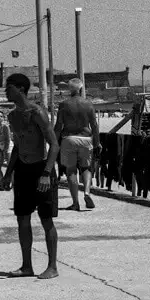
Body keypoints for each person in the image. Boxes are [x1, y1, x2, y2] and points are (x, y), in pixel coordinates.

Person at [0, 73, 60, 280]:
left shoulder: (37, 113)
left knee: (46, 219)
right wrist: (8, 174)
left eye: (9, 88)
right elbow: (17, 146)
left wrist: (46, 173)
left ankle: (52, 266)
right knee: (22, 219)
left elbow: (54, 145)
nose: (5, 91)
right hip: (23, 171)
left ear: (21, 89)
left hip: (41, 169)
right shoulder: (13, 116)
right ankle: (27, 266)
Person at [53, 78, 101, 211]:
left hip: (69, 139)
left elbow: (58, 126)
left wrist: (54, 142)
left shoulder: (64, 105)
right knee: (86, 168)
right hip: (85, 138)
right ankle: (86, 191)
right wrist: (97, 143)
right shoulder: (88, 104)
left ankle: (75, 203)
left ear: (70, 89)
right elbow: (94, 126)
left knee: (71, 170)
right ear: (81, 89)